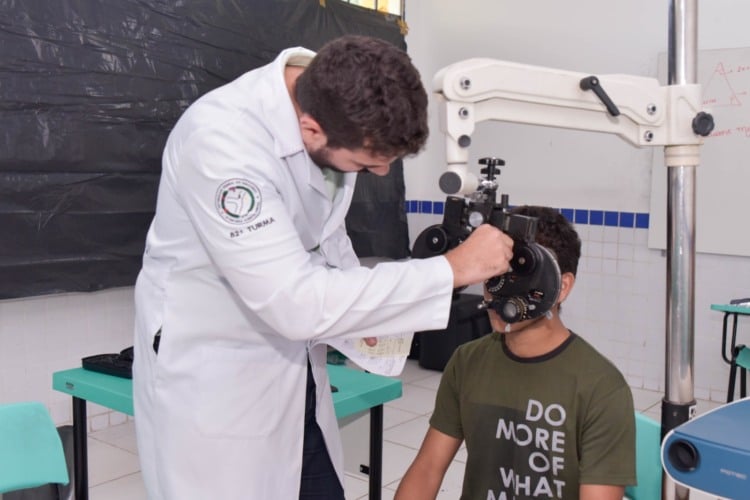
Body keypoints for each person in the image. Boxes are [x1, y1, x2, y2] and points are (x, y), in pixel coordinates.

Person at [132, 34, 514, 500]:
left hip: (295, 372)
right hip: (218, 376)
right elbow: (293, 301)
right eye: (365, 164)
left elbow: (323, 238)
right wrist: (450, 270)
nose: (378, 174)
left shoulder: (337, 97)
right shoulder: (222, 143)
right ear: (311, 129)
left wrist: (368, 321)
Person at [395, 205, 636, 500]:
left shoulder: (601, 387)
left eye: (522, 275)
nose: (501, 291)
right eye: (496, 274)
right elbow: (428, 468)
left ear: (562, 287)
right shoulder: (467, 362)